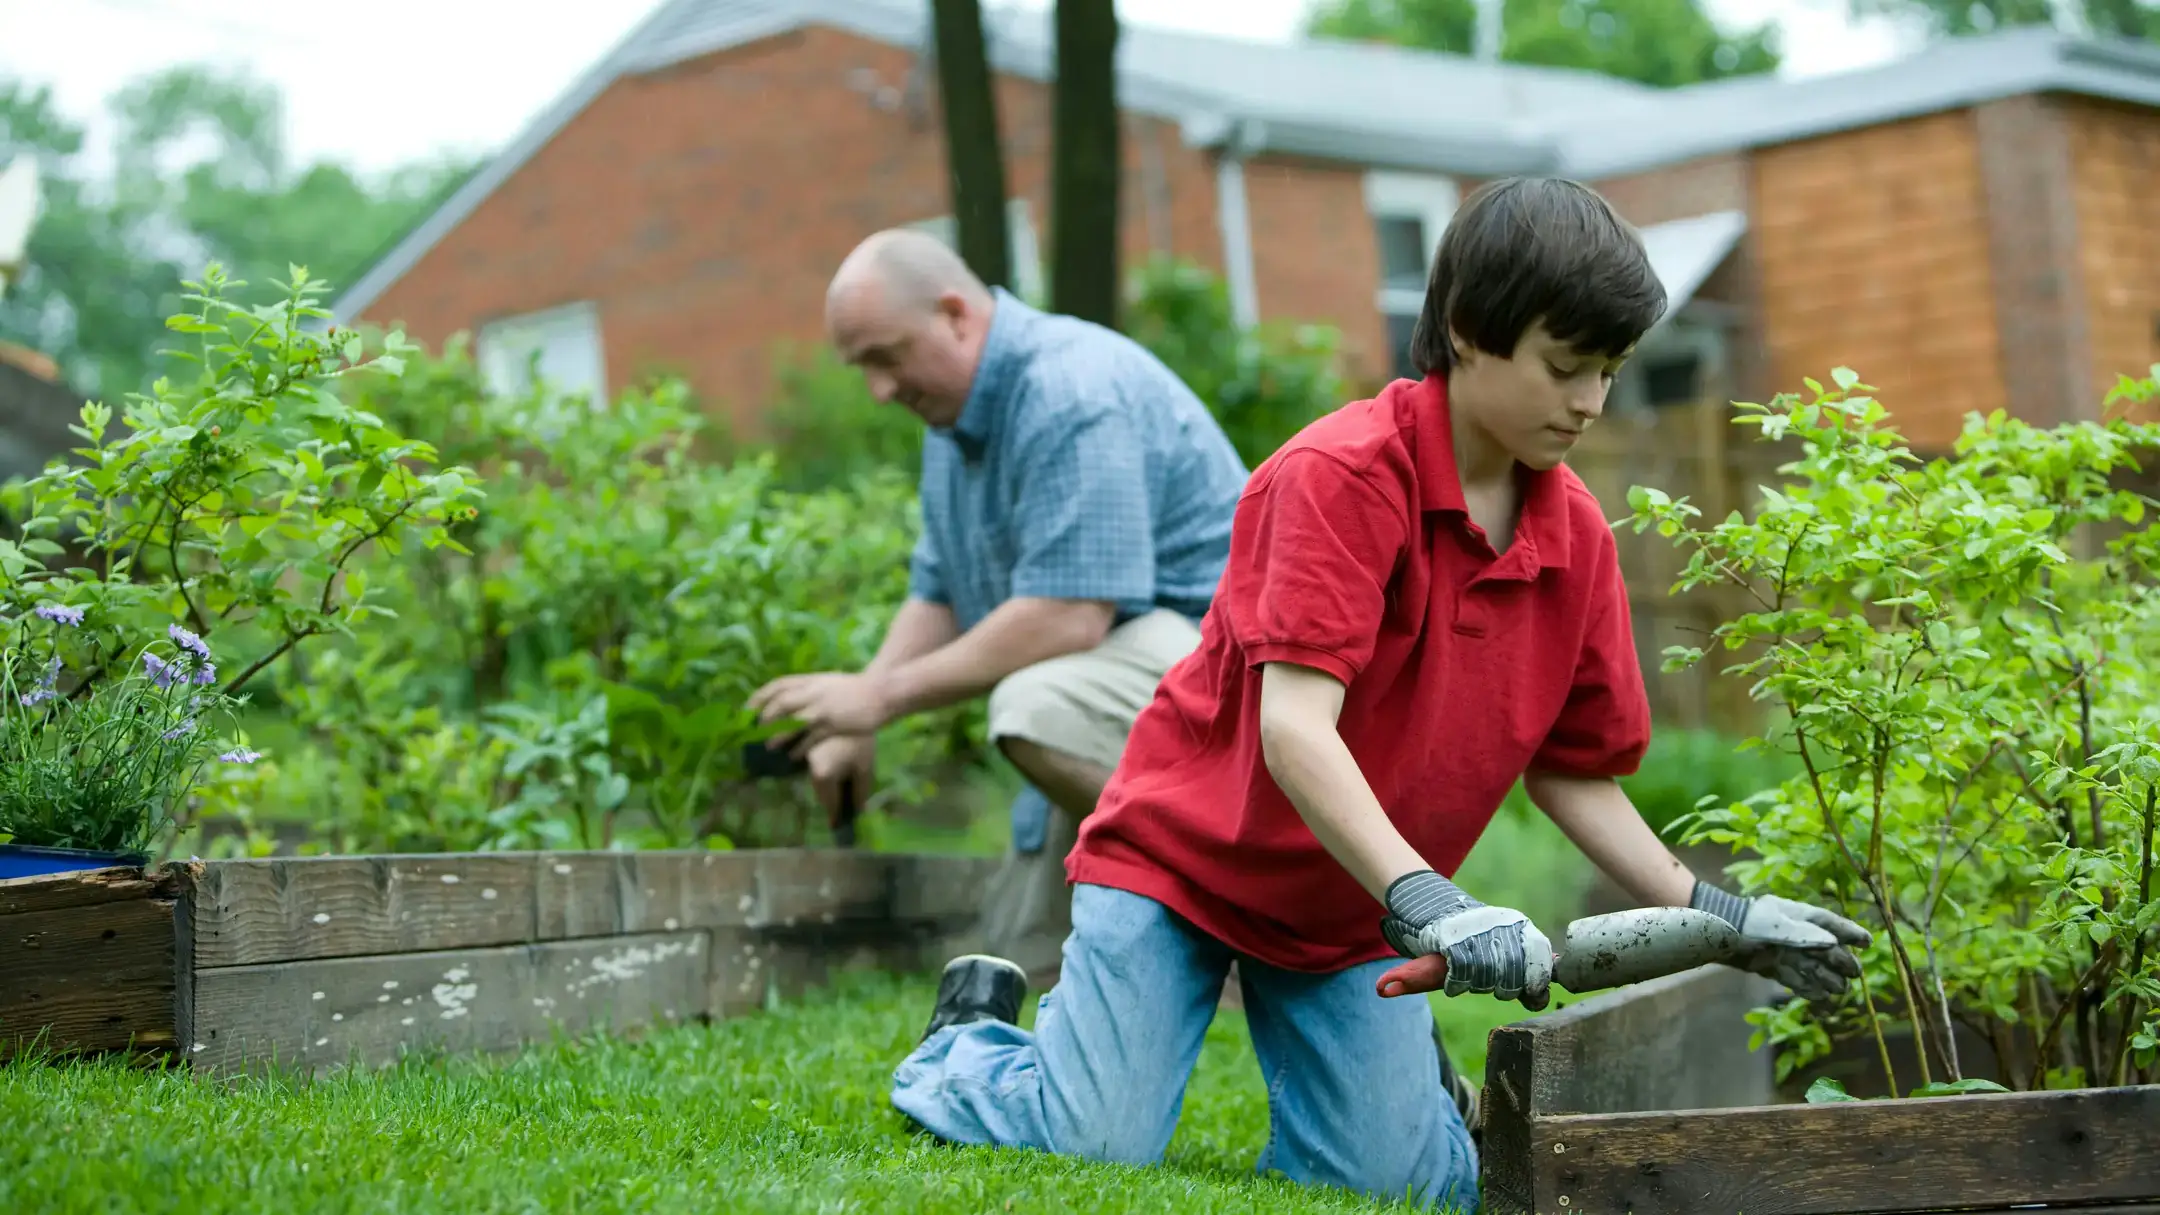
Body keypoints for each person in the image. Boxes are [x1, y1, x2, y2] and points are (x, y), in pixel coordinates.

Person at [886, 178, 1874, 1210]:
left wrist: (1725, 916)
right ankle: (971, 1042)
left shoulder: (1575, 537)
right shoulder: (1339, 477)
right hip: (1183, 869)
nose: (1591, 401)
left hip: (1351, 910)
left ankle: (1413, 1098)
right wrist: (1434, 901)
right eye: (1564, 366)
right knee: (1093, 1140)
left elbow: (1574, 775)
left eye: (1609, 371)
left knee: (1398, 1183)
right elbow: (1295, 728)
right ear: (1468, 332)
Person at [747, 228, 1251, 981]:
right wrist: (854, 715)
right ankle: (1173, 938)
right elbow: (939, 591)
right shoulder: (952, 424)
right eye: (863, 369)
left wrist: (880, 697)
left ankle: (1248, 908)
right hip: (1121, 692)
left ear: (955, 315)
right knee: (1019, 960)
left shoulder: (1069, 390)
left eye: (887, 357)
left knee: (1034, 706)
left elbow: (1069, 615)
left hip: (1231, 686)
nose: (879, 390)